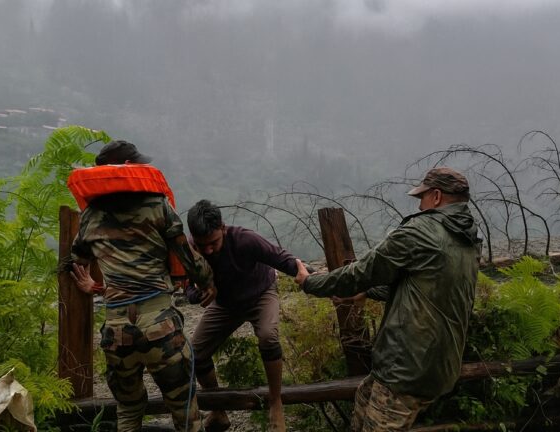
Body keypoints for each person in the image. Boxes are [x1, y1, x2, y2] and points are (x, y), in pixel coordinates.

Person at [294, 167, 481, 432]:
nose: (420, 203)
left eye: (422, 197)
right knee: (364, 398)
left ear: (436, 196)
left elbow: (362, 272)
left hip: (406, 368)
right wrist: (368, 293)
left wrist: (310, 282)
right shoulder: (469, 239)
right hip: (440, 366)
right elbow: (423, 285)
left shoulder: (422, 231)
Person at [70, 140, 216, 432]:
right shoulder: (156, 205)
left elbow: (77, 258)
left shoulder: (91, 215)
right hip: (159, 326)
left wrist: (92, 285)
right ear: (129, 169)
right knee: (185, 411)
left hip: (116, 330)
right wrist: (208, 281)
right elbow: (186, 257)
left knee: (128, 410)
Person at [186, 199, 299, 432]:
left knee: (268, 336)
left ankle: (275, 403)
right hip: (226, 304)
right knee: (195, 353)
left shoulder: (245, 240)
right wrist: (200, 293)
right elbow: (187, 289)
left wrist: (315, 278)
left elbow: (282, 259)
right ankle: (218, 410)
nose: (208, 250)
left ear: (223, 228)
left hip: (260, 294)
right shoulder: (189, 250)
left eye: (213, 243)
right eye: (201, 245)